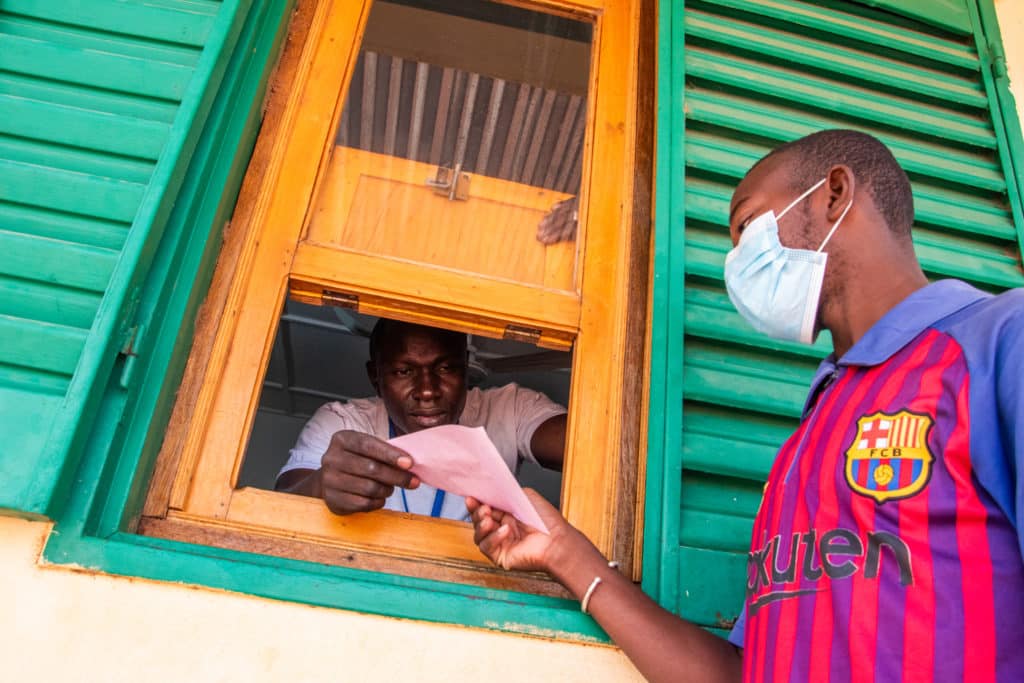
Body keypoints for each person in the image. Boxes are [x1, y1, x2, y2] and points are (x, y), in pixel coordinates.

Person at [467, 129, 1024, 681]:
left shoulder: (999, 342)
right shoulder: (806, 445)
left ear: (833, 195)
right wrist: (564, 552)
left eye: (746, 227)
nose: (737, 262)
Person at [275, 318, 567, 521]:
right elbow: (278, 511)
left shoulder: (509, 409)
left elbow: (591, 456)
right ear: (375, 377)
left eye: (445, 369)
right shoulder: (341, 422)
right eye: (404, 371)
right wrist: (321, 487)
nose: (427, 391)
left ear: (466, 368)